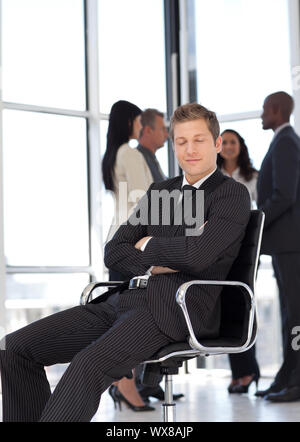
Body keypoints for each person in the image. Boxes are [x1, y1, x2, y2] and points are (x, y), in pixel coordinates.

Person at [0, 102, 251, 422]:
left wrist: (148, 244)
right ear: (173, 145)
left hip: (174, 308)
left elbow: (197, 257)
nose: (190, 149)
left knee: (87, 366)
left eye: (199, 140)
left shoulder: (230, 195)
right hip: (123, 299)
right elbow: (114, 250)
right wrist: (163, 256)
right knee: (15, 348)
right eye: (181, 141)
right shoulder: (161, 191)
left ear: (216, 144)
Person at [102, 100, 154, 411]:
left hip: (117, 239)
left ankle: (123, 383)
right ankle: (126, 385)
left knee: (123, 314)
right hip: (133, 242)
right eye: (137, 120)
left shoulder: (113, 154)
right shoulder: (129, 153)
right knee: (134, 317)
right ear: (131, 122)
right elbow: (145, 200)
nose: (140, 125)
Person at [255, 91, 300, 402]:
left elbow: (285, 194)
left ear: (275, 110)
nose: (260, 115)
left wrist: (256, 221)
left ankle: (297, 380)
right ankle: (287, 375)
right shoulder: (283, 142)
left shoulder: (286, 143)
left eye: (263, 110)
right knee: (288, 313)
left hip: (291, 244)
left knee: (296, 314)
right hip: (286, 245)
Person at [217, 129, 260, 393]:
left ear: (240, 146)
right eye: (225, 142)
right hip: (219, 250)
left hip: (244, 251)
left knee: (244, 305)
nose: (229, 146)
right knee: (225, 308)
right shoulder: (214, 177)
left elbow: (260, 214)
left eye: (234, 142)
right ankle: (239, 372)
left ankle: (249, 371)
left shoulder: (252, 177)